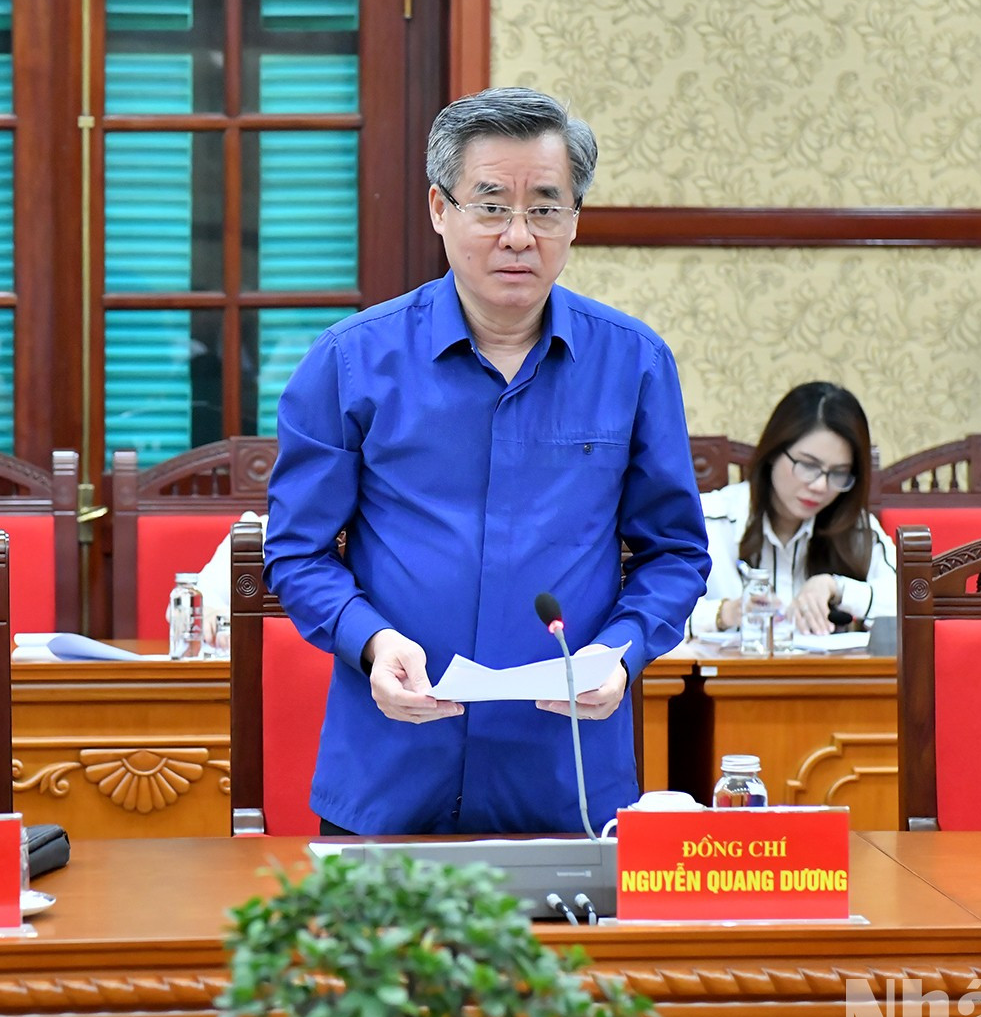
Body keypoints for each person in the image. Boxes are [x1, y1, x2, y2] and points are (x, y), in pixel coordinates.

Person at [263, 86, 711, 837]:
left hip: (566, 779)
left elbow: (676, 554)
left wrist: (622, 651)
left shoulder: (633, 363)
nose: (518, 235)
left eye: (544, 207)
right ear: (440, 209)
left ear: (575, 221)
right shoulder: (350, 363)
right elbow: (297, 553)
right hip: (392, 769)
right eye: (491, 204)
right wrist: (370, 641)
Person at [689, 381, 896, 638]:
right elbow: (652, 614)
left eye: (839, 473)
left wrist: (836, 587)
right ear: (774, 452)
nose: (820, 486)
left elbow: (914, 603)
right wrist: (725, 613)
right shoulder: (708, 521)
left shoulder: (856, 528)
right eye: (808, 465)